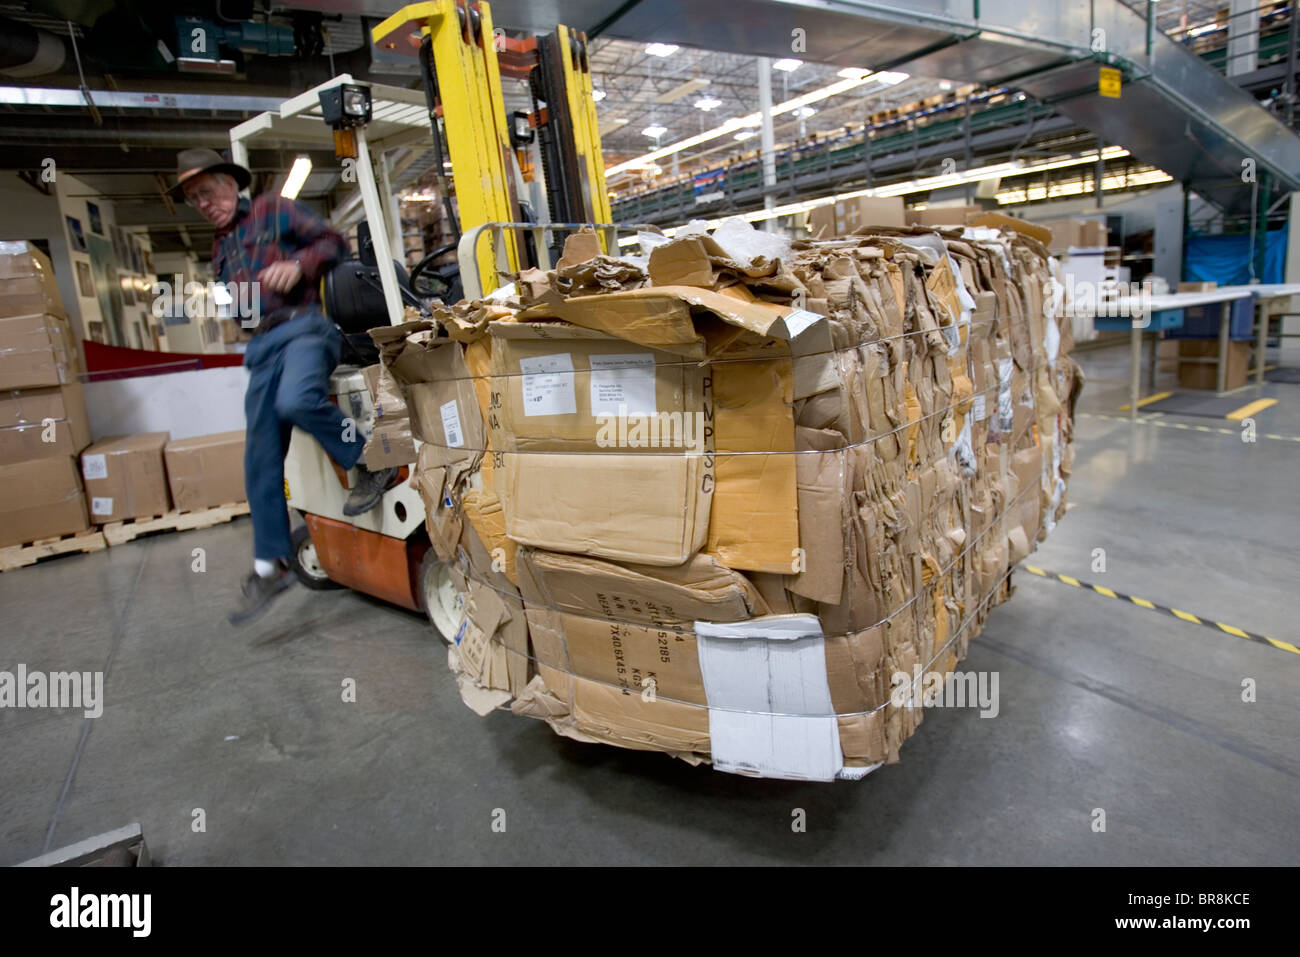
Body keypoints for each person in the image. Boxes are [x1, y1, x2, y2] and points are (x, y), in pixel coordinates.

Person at [168, 148, 398, 625]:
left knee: (297, 400)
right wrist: (240, 308)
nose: (204, 203)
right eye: (194, 199)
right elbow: (243, 309)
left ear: (230, 184)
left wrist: (298, 266)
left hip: (304, 328)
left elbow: (333, 244)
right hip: (263, 345)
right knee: (258, 459)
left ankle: (370, 458)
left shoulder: (273, 209)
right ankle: (268, 566)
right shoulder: (219, 249)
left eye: (208, 192)